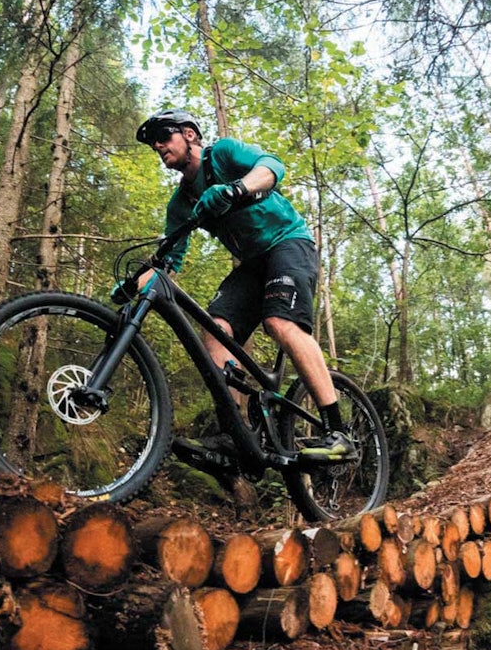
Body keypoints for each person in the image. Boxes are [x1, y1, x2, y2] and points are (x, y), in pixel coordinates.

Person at [132, 108, 356, 460]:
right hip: (252, 264)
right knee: (215, 329)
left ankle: (338, 432)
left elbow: (272, 167)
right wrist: (135, 285)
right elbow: (168, 259)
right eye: (153, 143)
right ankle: (235, 435)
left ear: (189, 134)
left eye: (164, 135)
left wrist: (236, 188)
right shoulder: (182, 202)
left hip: (288, 242)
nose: (158, 145)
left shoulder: (223, 153)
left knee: (279, 322)